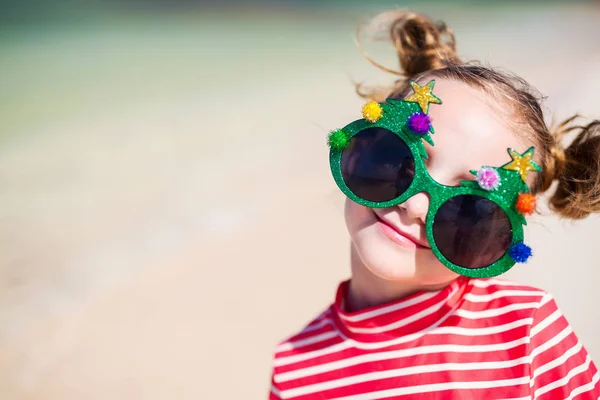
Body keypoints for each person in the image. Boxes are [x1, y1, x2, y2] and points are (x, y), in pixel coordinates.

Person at [268, 10, 600, 400]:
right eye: (399, 162)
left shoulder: (528, 335)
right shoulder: (296, 365)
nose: (416, 207)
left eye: (469, 208)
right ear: (360, 147)